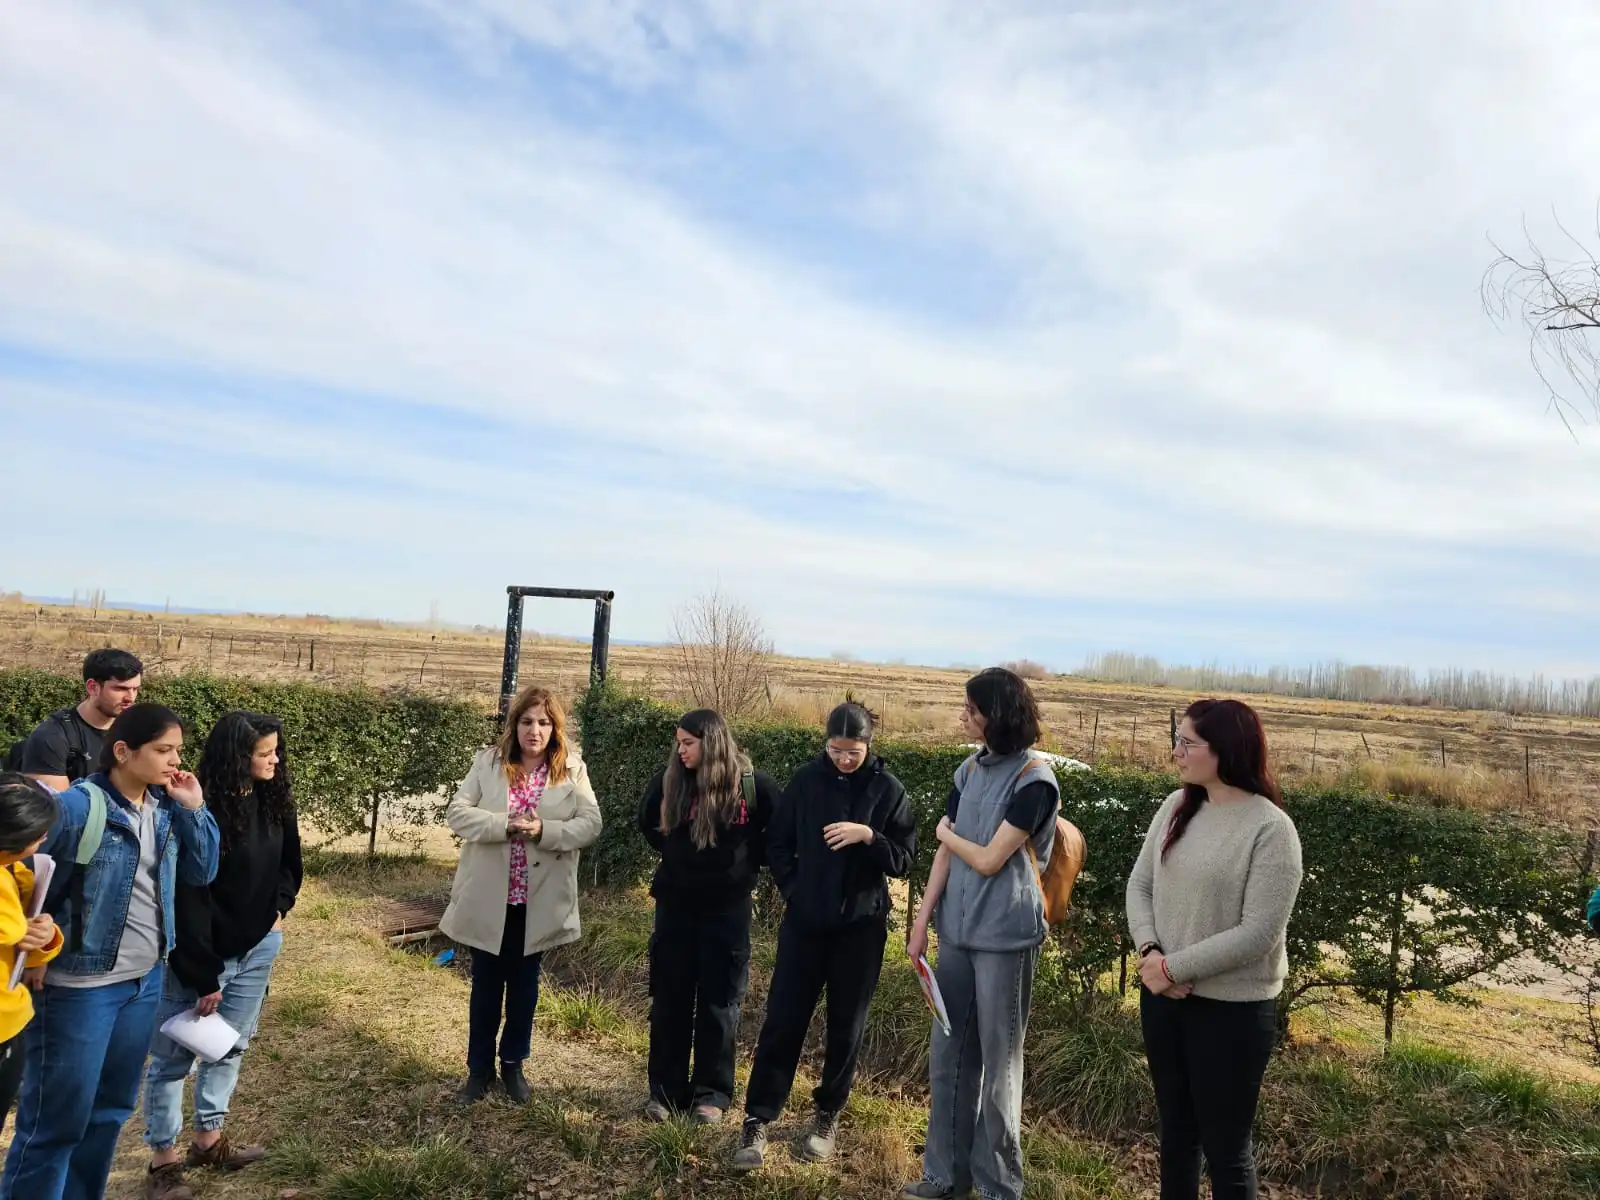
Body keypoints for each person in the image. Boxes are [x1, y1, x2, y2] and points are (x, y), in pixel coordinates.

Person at [1, 703, 221, 1200]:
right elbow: (18, 867)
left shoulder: (165, 807)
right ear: (122, 751)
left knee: (109, 1114)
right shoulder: (78, 807)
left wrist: (194, 807)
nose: (174, 761)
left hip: (143, 982)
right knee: (55, 1122)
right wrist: (29, 945)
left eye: (178, 751)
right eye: (163, 750)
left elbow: (202, 872)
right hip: (78, 986)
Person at [1125, 698, 1303, 1200]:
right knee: (1176, 1135)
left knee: (1226, 1149)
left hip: (1233, 1014)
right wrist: (1152, 953)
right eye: (1176, 739)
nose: (1176, 751)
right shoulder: (1176, 807)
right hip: (1163, 997)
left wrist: (1172, 967)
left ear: (1225, 750)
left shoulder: (1270, 829)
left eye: (1188, 743)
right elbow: (1139, 886)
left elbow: (1258, 932)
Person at [732, 701, 916, 1170]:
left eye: (853, 751)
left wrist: (868, 837)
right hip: (805, 925)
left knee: (845, 1026)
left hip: (860, 928)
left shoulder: (889, 790)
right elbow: (777, 842)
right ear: (826, 743)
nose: (844, 759)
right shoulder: (805, 781)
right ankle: (758, 1117)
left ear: (868, 745)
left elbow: (904, 860)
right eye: (836, 750)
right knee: (783, 1020)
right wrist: (795, 890)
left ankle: (827, 1114)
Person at [901, 667, 1061, 1200]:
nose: (963, 715)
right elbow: (947, 853)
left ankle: (998, 1186)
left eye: (971, 708)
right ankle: (945, 1176)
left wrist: (949, 831)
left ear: (999, 715)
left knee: (999, 1065)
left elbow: (991, 859)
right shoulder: (968, 771)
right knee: (948, 1057)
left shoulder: (1034, 780)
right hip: (957, 934)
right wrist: (923, 921)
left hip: (1005, 940)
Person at [140, 712, 303, 1199]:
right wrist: (202, 970)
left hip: (258, 948)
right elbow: (187, 896)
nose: (274, 760)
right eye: (264, 753)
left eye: (276, 751)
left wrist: (278, 910)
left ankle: (208, 1141)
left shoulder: (274, 800)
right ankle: (162, 1161)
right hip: (200, 956)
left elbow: (290, 864)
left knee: (229, 1046)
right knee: (172, 1058)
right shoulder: (192, 807)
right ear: (237, 758)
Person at [441, 686, 601, 1105]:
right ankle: (478, 1071)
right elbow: (457, 812)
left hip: (539, 900)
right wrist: (504, 823)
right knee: (485, 987)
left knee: (525, 988)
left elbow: (590, 824)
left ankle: (513, 1066)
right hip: (490, 897)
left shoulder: (571, 770)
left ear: (555, 728)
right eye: (527, 721)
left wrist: (546, 831)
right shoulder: (489, 763)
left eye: (544, 722)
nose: (535, 730)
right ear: (515, 725)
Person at [638, 709, 780, 1125]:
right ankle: (665, 1094)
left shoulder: (752, 785)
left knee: (720, 1003)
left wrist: (747, 863)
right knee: (670, 1001)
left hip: (727, 913)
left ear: (712, 742)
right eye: (678, 742)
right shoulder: (669, 781)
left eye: (688, 743)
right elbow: (646, 822)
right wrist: (673, 848)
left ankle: (712, 1096)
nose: (680, 750)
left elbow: (779, 834)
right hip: (675, 909)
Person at [0, 774, 63, 1126]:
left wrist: (43, 934)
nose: (41, 842)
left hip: (10, 1021)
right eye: (38, 835)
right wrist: (19, 929)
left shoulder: (13, 873)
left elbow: (24, 949)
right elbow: (11, 931)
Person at [13, 649, 143, 792]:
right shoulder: (52, 737)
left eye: (135, 689)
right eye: (120, 689)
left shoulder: (138, 730)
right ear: (93, 687)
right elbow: (55, 808)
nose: (130, 698)